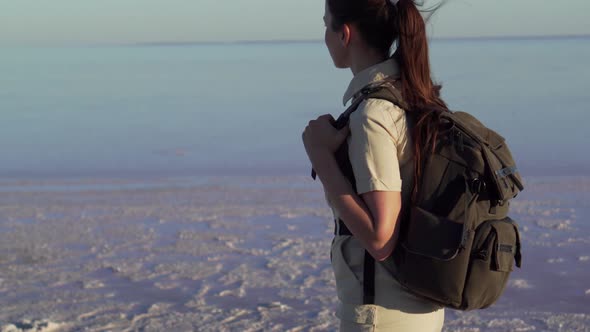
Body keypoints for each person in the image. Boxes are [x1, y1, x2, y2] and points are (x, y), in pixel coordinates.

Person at [302, 0, 449, 330]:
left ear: (346, 34)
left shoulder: (373, 114)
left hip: (381, 316)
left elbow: (381, 239)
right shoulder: (415, 97)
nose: (324, 35)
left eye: (327, 25)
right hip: (417, 308)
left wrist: (321, 157)